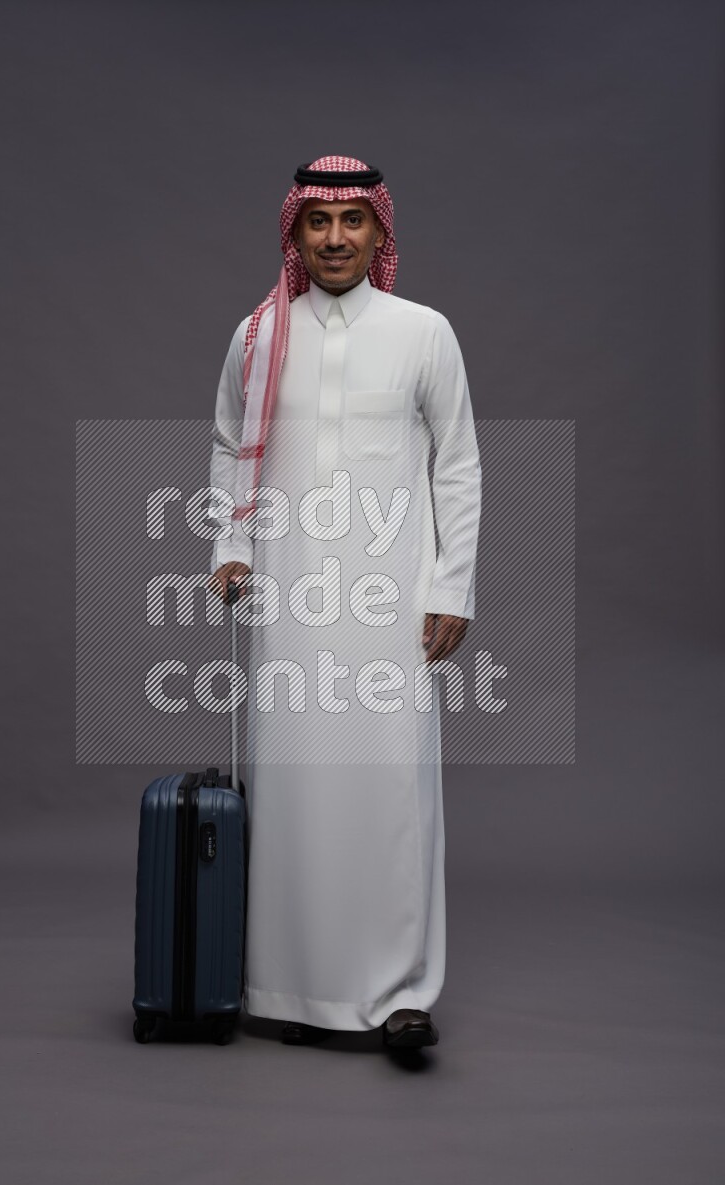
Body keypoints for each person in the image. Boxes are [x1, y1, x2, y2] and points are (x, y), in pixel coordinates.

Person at [207, 156, 481, 1050]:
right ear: (294, 233)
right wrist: (233, 545)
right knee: (296, 794)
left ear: (379, 233)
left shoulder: (423, 332)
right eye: (316, 223)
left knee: (391, 792)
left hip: (392, 599)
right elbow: (226, 441)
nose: (333, 239)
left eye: (351, 222)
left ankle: (401, 994)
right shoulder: (257, 335)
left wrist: (450, 586)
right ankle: (287, 991)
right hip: (289, 596)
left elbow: (458, 465)